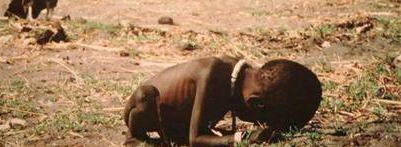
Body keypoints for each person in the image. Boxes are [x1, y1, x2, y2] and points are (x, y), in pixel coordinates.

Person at [123, 55, 322, 146]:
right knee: (144, 96)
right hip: (145, 111)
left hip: (175, 122)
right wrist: (241, 138)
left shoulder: (237, 78)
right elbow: (195, 139)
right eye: (260, 120)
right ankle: (134, 137)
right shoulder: (213, 75)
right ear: (255, 104)